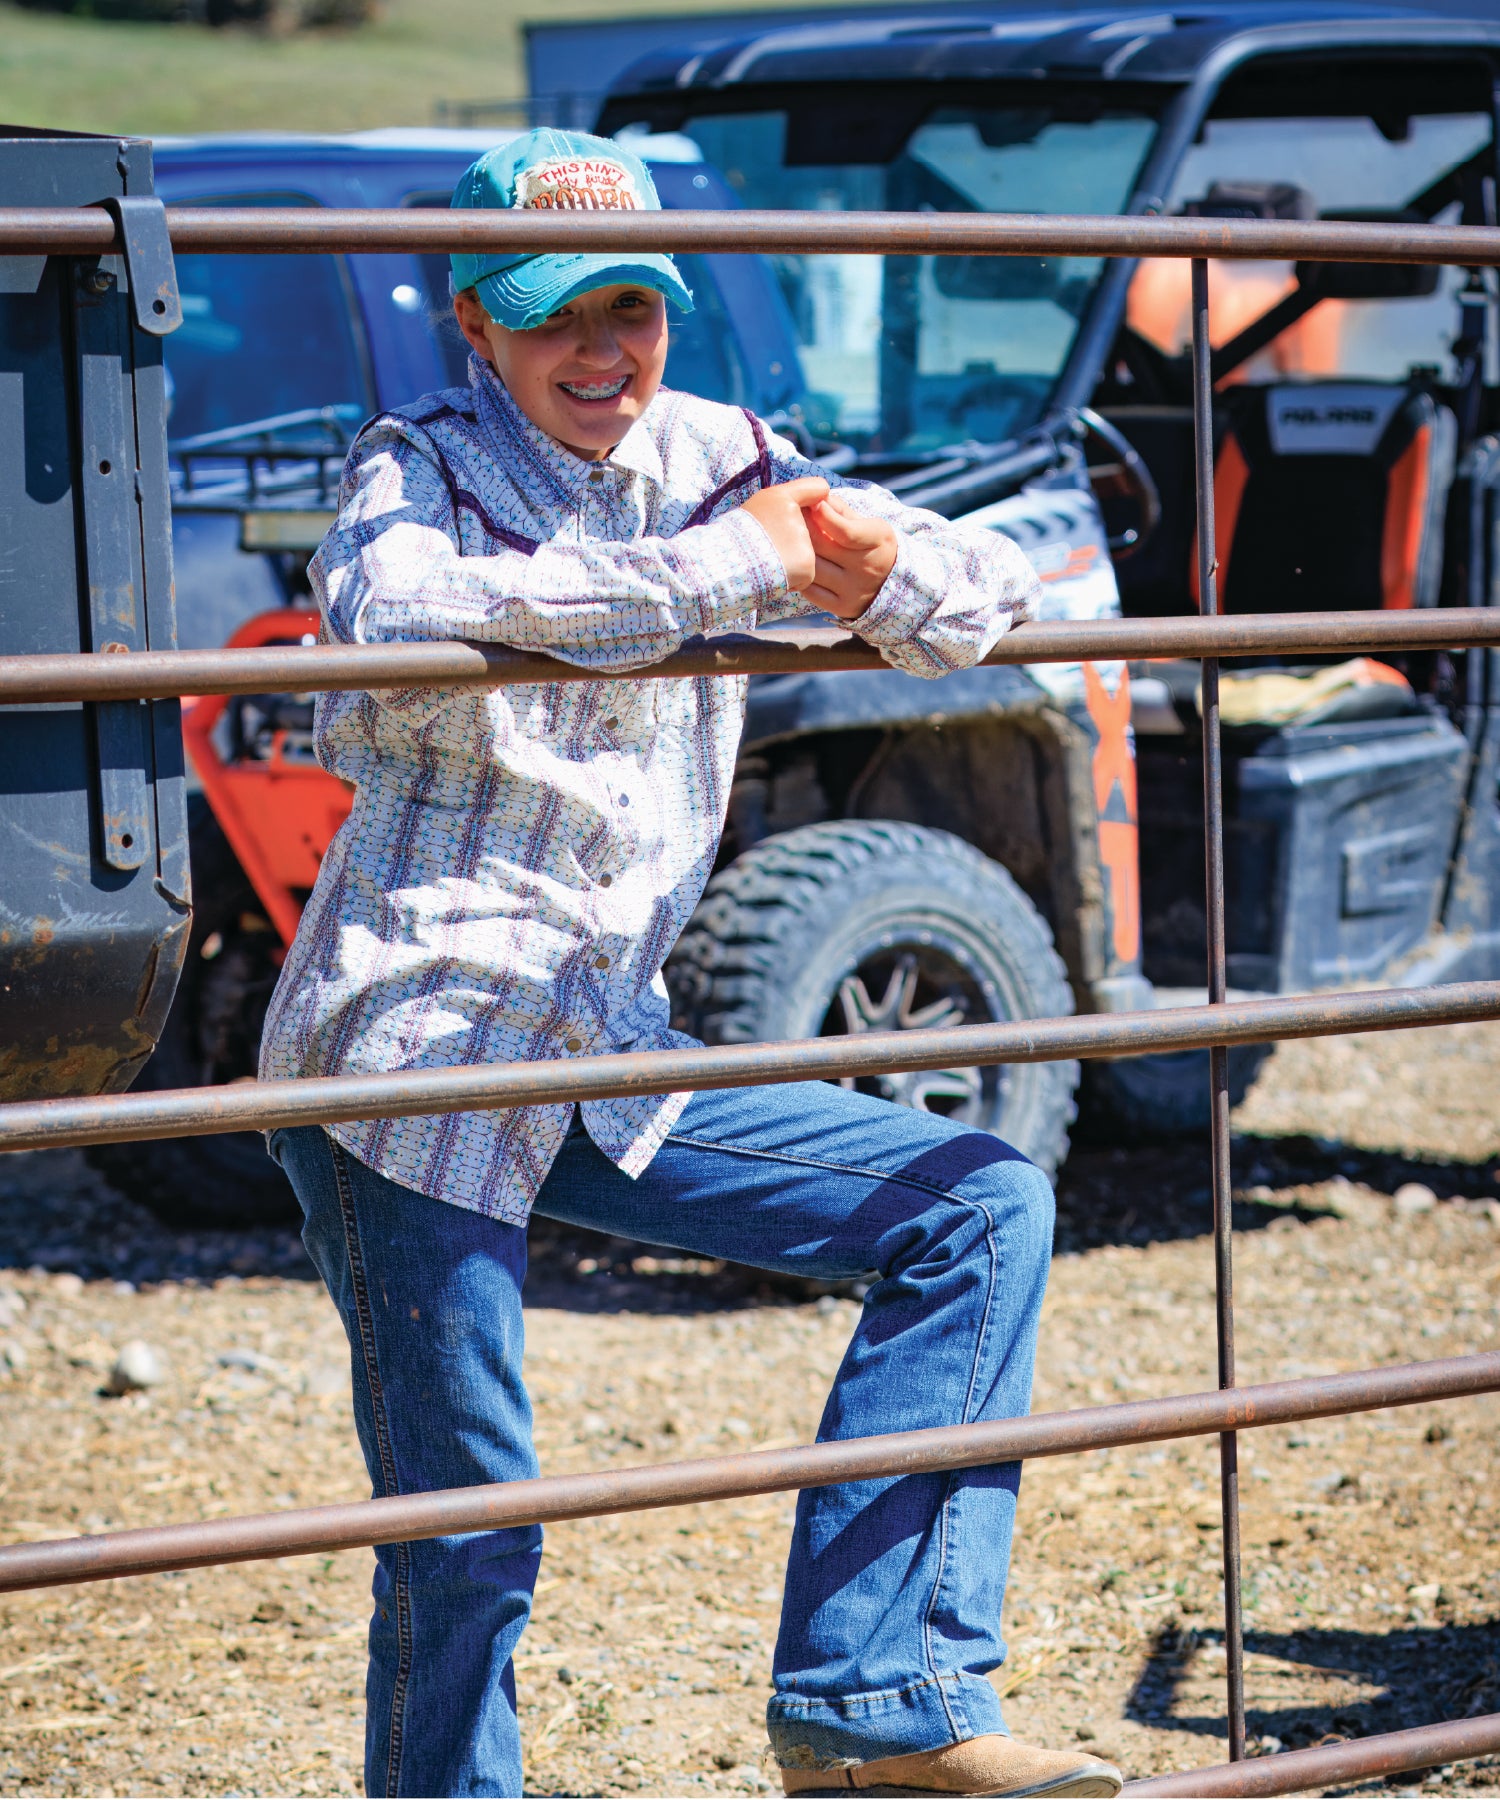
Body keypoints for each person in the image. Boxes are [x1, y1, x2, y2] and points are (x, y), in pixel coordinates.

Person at [259, 128, 1122, 1800]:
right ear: (473, 323)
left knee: (978, 1203)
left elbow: (975, 588)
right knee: (472, 1530)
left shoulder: (728, 453)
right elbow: (391, 611)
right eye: (556, 314)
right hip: (414, 1050)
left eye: (634, 308)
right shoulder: (411, 464)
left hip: (608, 1038)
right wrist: (749, 570)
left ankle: (880, 1707)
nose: (604, 351)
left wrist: (872, 567)